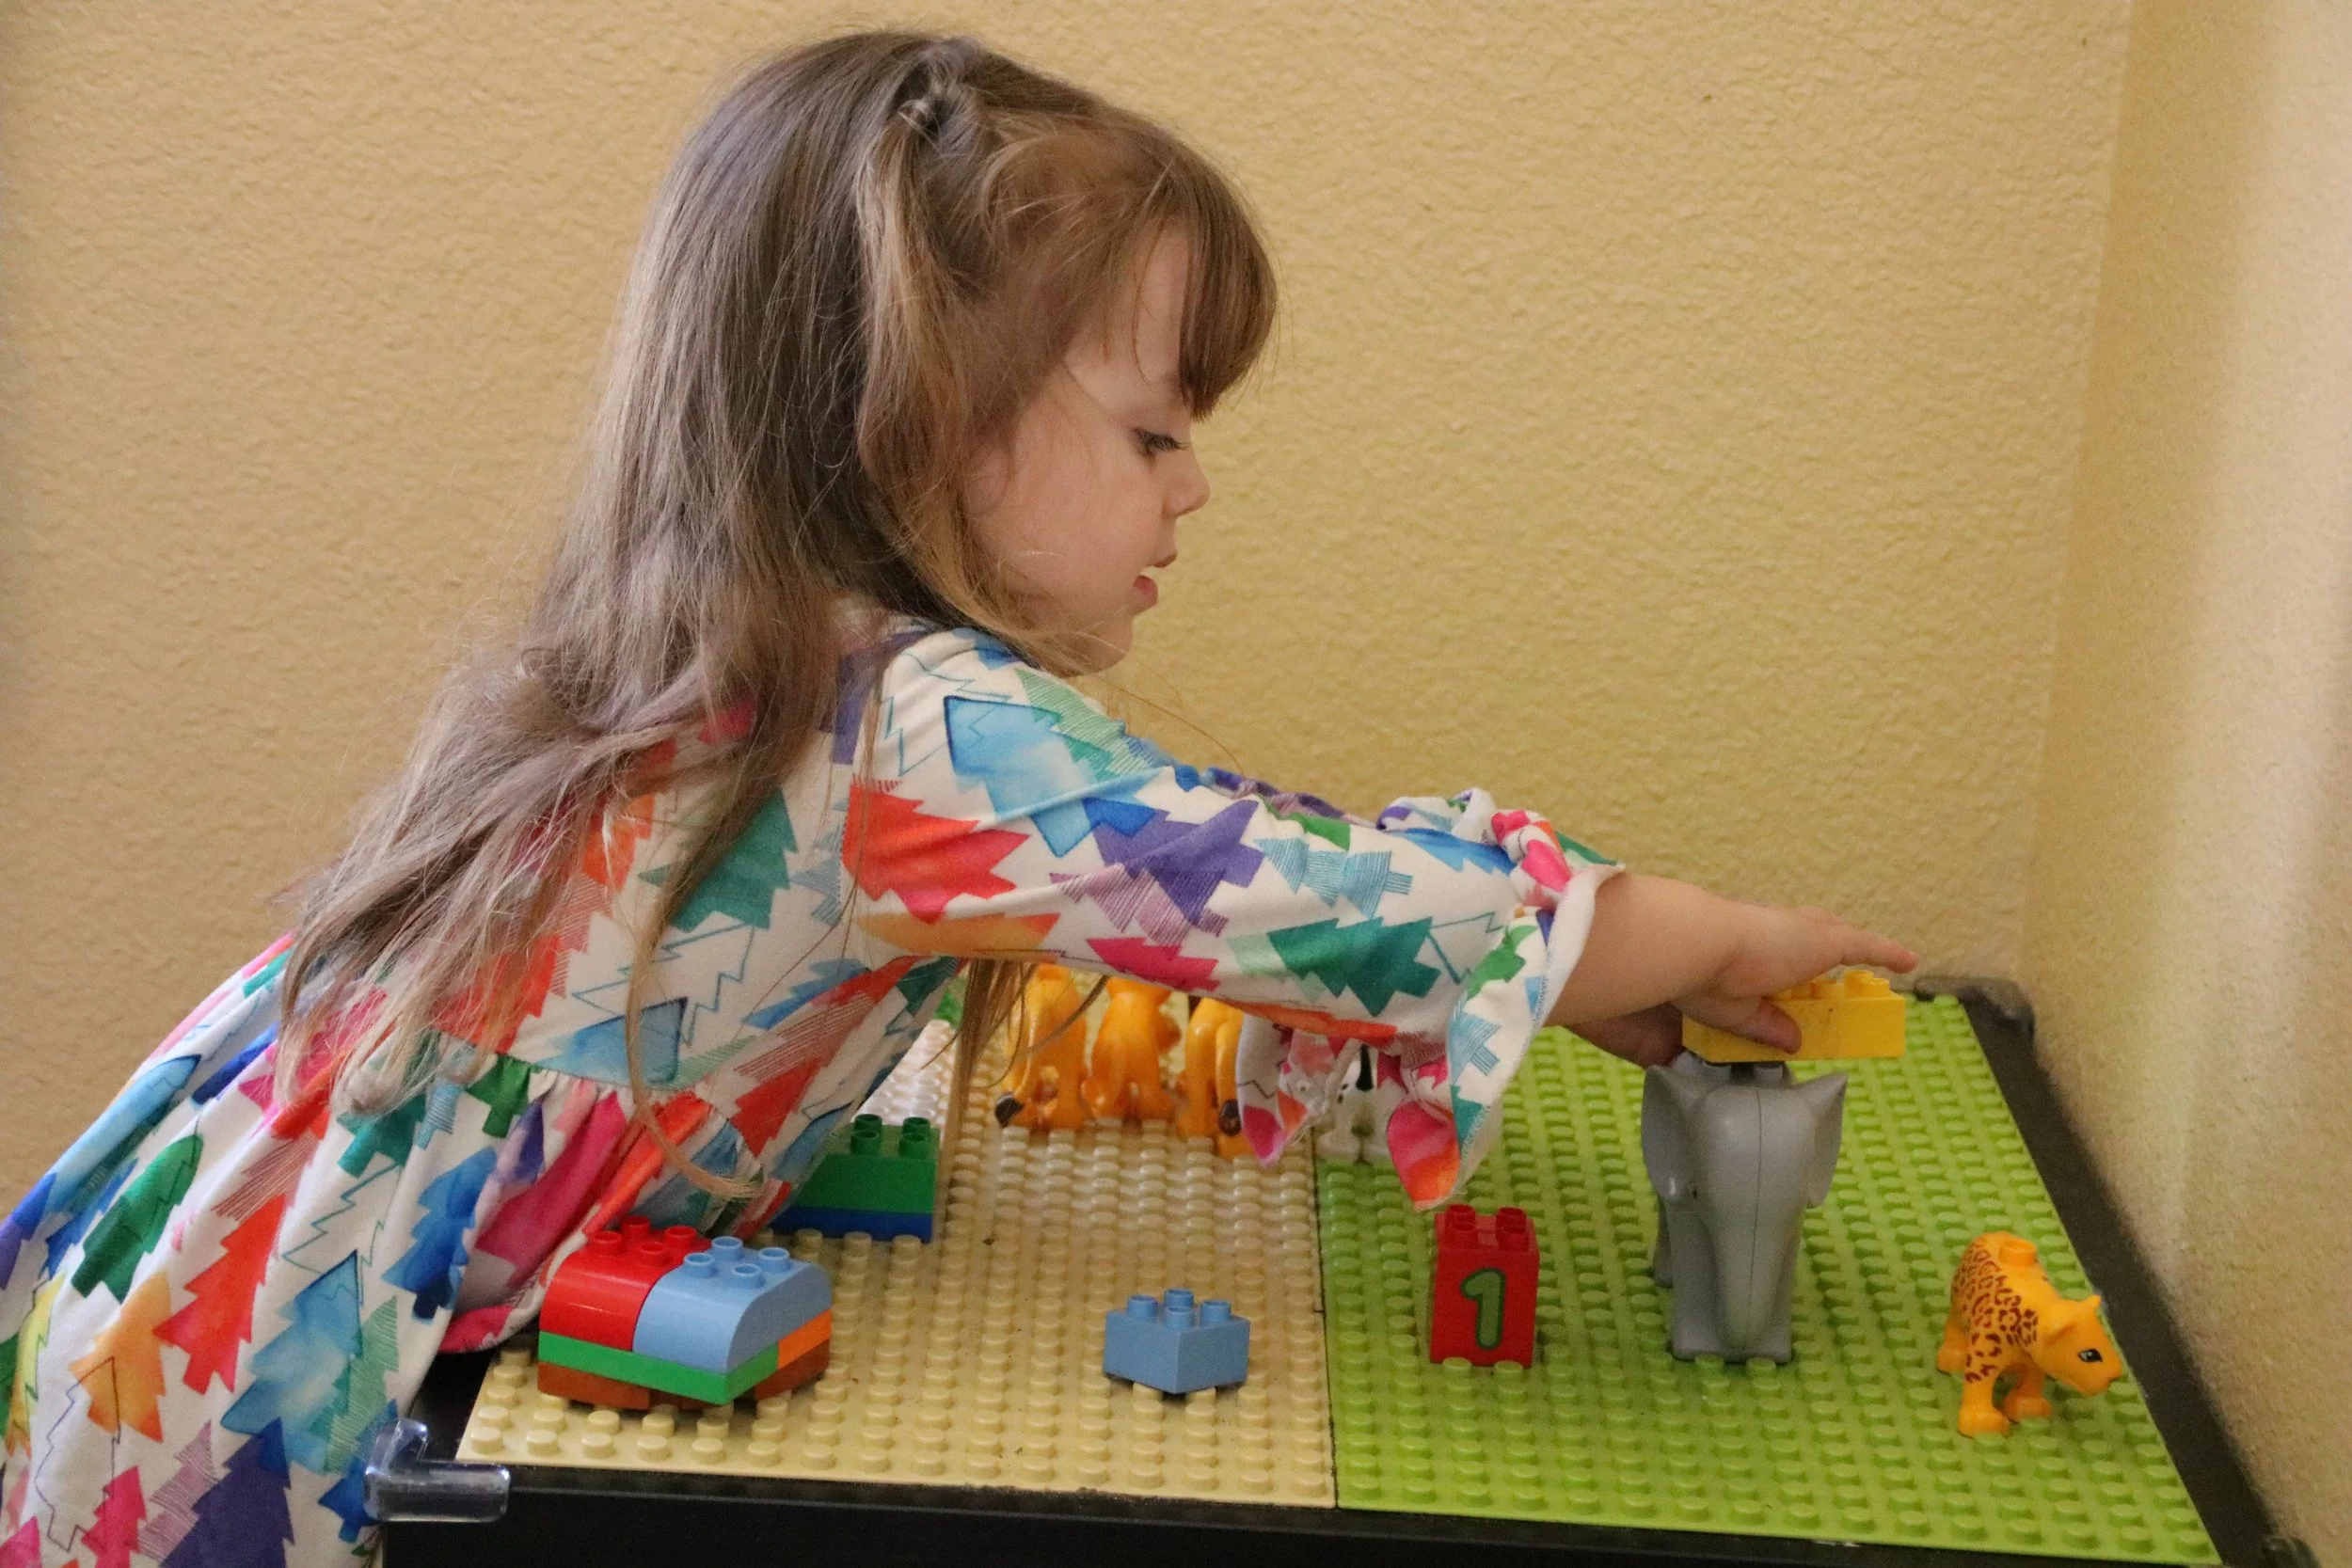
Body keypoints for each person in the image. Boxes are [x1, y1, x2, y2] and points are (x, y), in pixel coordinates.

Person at [0, 29, 1915, 1565]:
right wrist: (1660, 926)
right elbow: (1271, 880)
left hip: (180, 1251)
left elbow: (1162, 883)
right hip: (270, 1392)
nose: (1191, 490)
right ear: (918, 407)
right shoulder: (907, 718)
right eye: (1153, 430)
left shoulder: (726, 648)